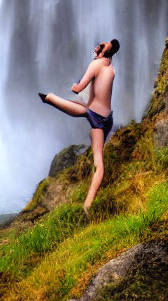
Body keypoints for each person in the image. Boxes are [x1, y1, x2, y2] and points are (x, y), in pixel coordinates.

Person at [38, 39, 120, 213]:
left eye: (102, 45)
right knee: (83, 108)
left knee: (99, 163)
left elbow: (78, 88)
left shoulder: (96, 64)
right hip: (107, 118)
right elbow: (93, 96)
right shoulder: (110, 69)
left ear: (103, 51)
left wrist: (74, 85)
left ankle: (87, 205)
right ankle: (50, 99)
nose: (98, 45)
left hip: (96, 118)